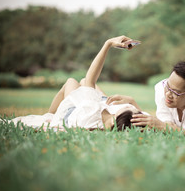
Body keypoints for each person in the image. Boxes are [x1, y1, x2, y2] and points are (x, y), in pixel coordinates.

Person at [12, 36, 145, 131]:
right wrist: (131, 101)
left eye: (129, 108)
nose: (132, 108)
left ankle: (50, 115)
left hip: (71, 111)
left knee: (72, 82)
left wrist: (108, 44)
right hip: (99, 108)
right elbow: (142, 117)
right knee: (82, 83)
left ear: (117, 115)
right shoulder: (123, 120)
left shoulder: (91, 112)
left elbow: (90, 80)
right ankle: (52, 115)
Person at [107, 59, 185, 134]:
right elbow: (165, 124)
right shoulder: (161, 89)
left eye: (176, 92)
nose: (168, 94)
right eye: (168, 86)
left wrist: (165, 127)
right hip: (182, 126)